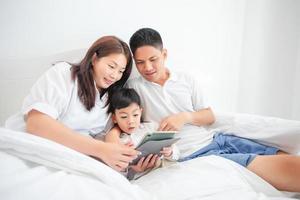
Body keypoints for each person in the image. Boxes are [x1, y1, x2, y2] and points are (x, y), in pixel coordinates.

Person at [127, 28, 300, 192]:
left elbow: (209, 116)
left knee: (278, 154)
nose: (147, 67)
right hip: (193, 154)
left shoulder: (185, 79)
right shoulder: (134, 88)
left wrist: (184, 117)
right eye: (140, 63)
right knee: (276, 168)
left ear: (164, 54)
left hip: (218, 139)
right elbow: (118, 121)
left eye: (153, 59)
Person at [5, 36, 139, 172]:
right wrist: (100, 149)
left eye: (121, 71)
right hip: (31, 147)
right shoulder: (64, 74)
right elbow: (36, 124)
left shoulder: (111, 96)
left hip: (72, 159)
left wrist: (127, 162)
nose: (114, 76)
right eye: (111, 66)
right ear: (94, 59)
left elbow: (110, 131)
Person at [105, 88, 179, 179]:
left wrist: (170, 152)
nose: (131, 121)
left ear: (140, 112)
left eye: (135, 115)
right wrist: (134, 170)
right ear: (114, 118)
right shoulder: (117, 141)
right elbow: (117, 175)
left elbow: (176, 154)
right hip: (140, 178)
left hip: (163, 172)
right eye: (124, 117)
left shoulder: (152, 128)